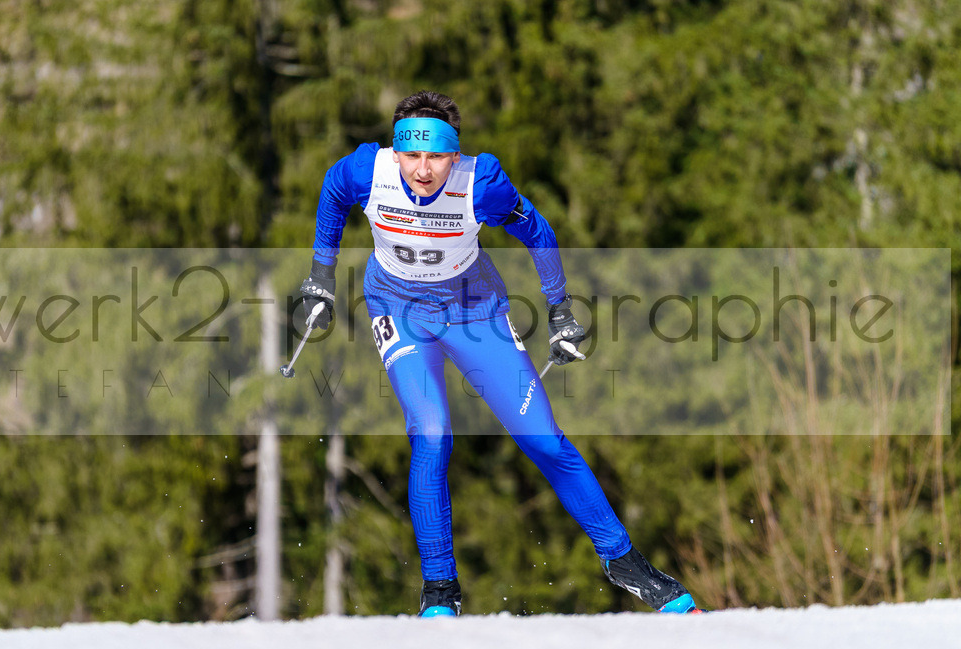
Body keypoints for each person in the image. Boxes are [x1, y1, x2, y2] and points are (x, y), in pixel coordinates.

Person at [299, 91, 703, 617]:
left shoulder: (481, 185)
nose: (424, 171)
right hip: (398, 309)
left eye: (437, 156)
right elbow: (332, 194)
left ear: (455, 153)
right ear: (396, 152)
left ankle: (624, 562)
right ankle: (440, 592)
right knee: (432, 431)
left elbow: (538, 232)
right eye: (413, 155)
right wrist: (320, 277)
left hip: (475, 311)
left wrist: (559, 311)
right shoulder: (364, 171)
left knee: (543, 438)